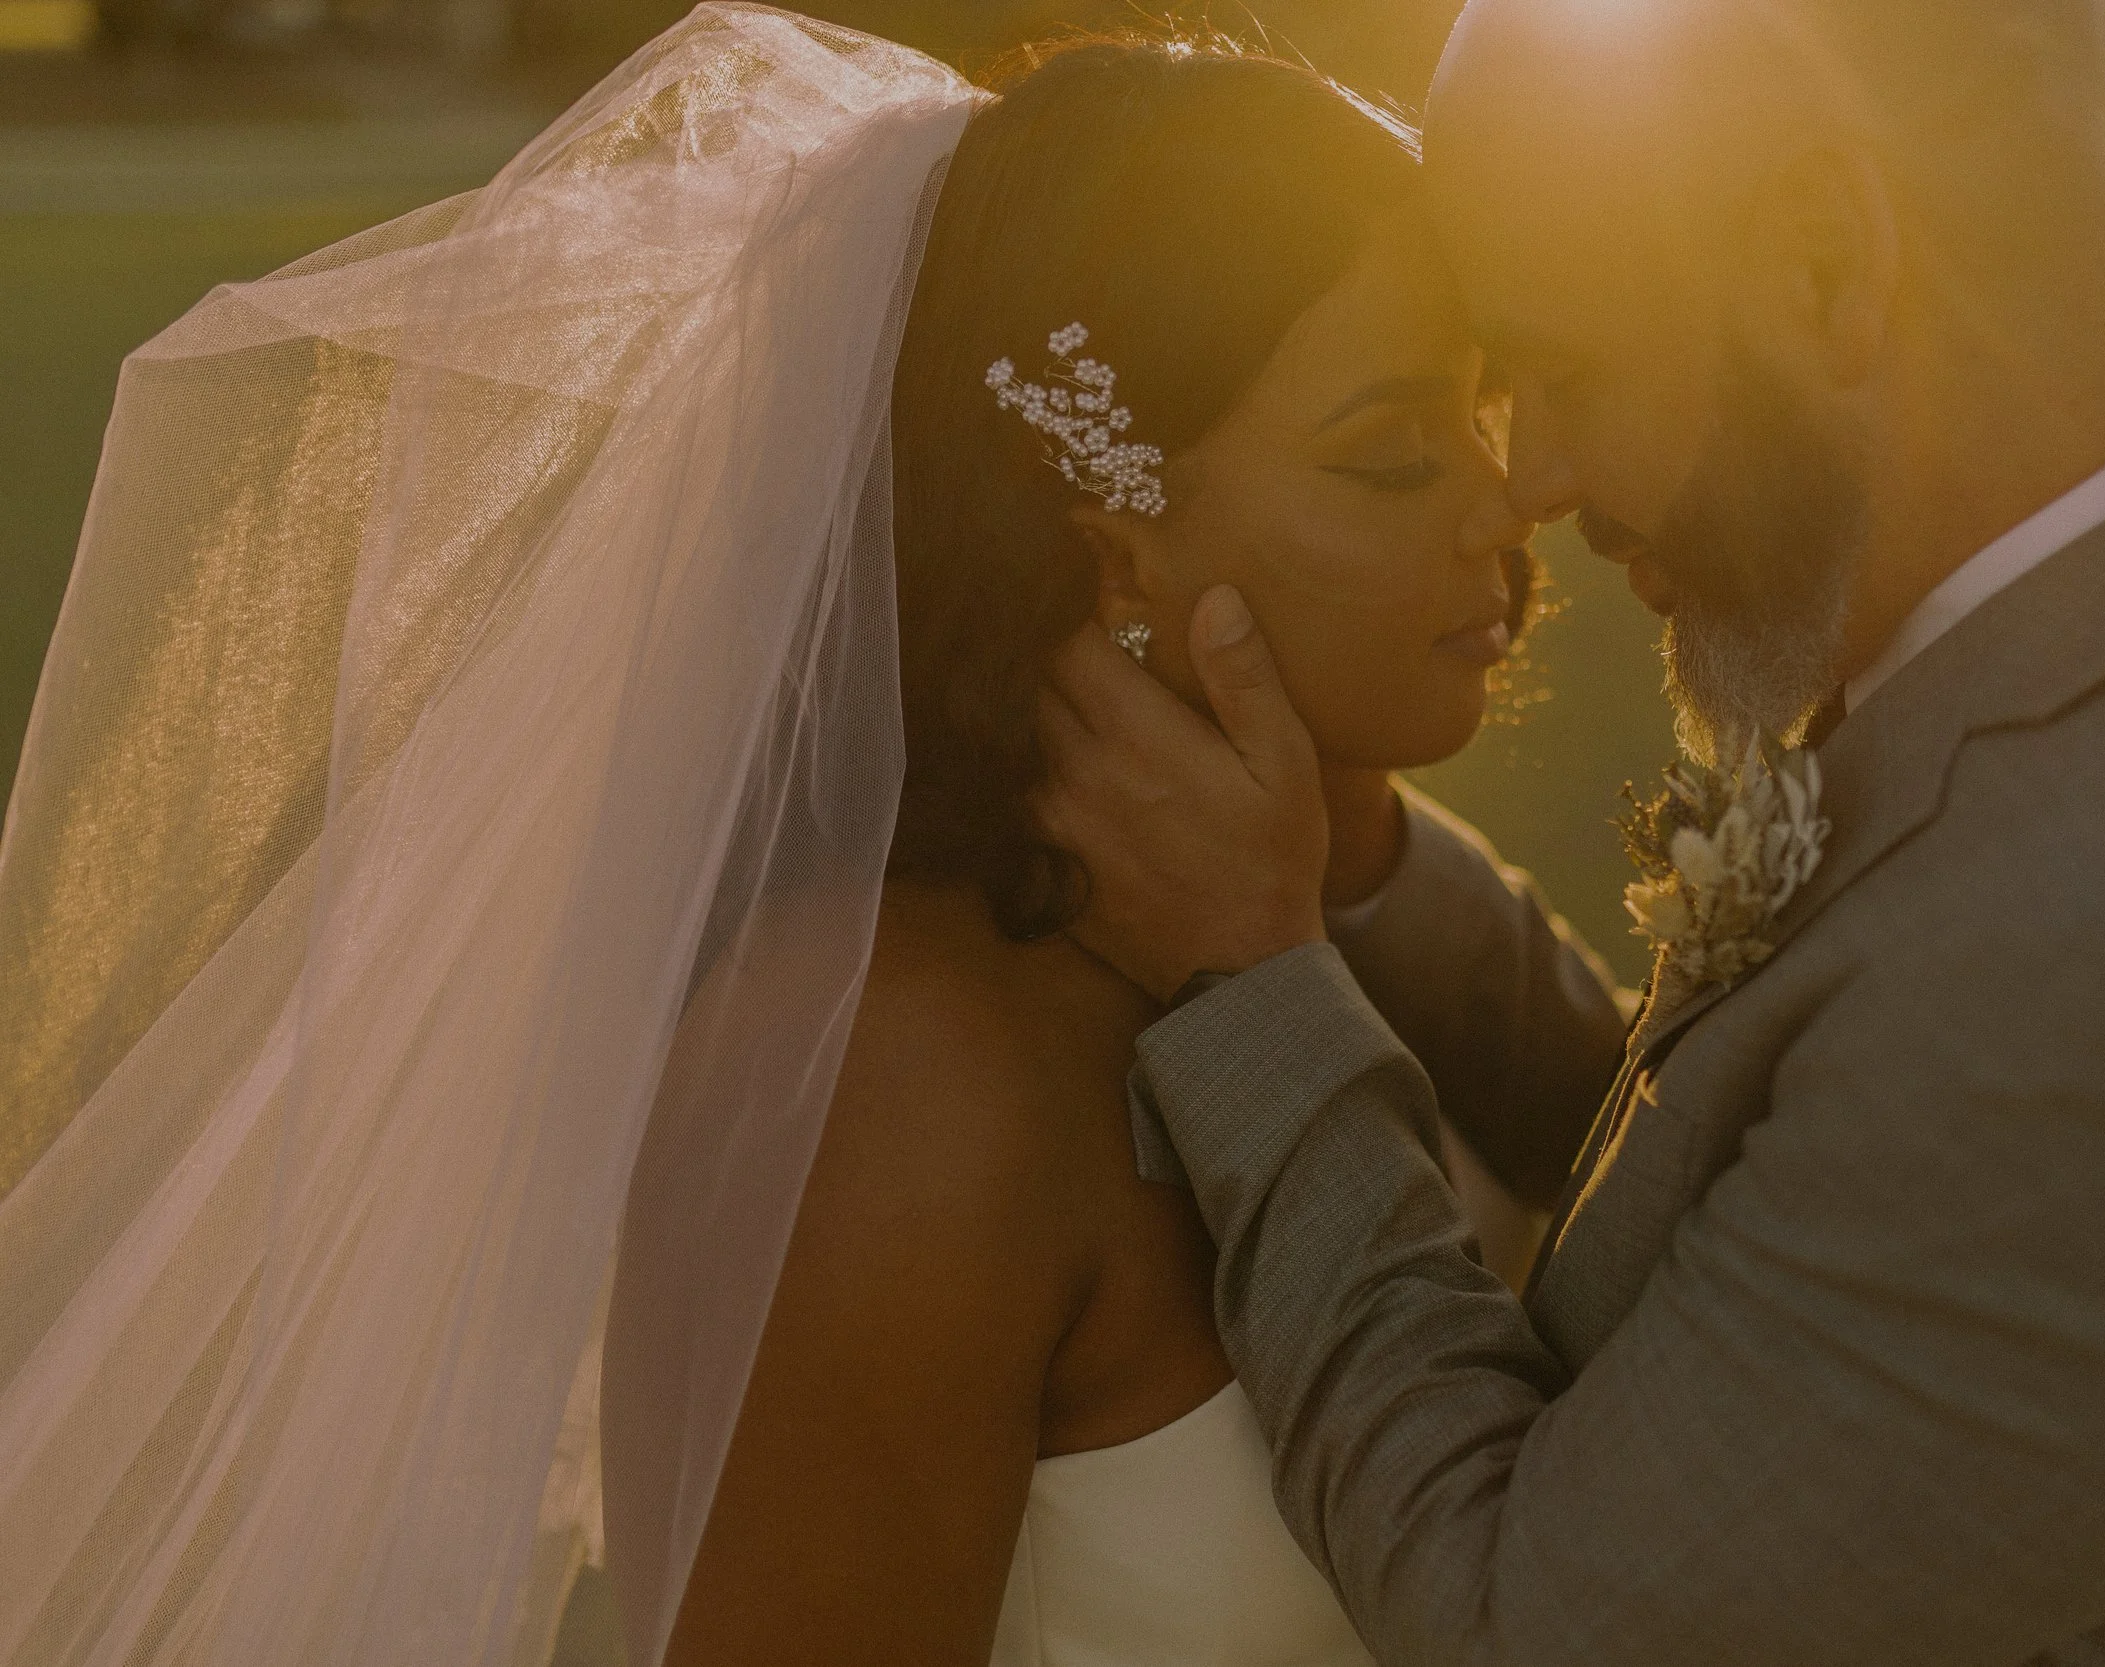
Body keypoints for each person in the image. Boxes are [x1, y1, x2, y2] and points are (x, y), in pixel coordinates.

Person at [0, 9, 1625, 1666]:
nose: (1504, 503)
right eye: (1395, 452)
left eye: (1481, 410)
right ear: (1114, 560)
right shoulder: (898, 1083)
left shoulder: (1313, 912)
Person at [1037, 1, 2105, 1663]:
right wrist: (1357, 868)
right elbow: (1760, 1171)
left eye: (1568, 371)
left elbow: (1514, 1615)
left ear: (1820, 262)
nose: (1536, 479)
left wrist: (1256, 985)